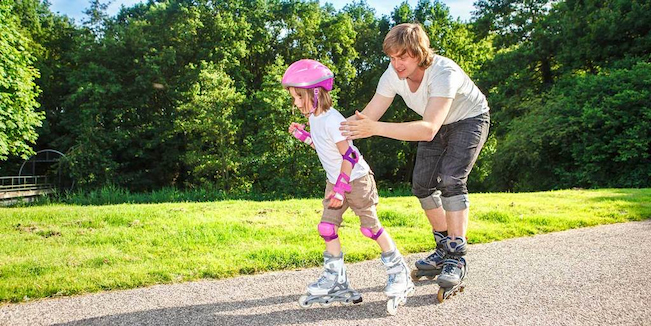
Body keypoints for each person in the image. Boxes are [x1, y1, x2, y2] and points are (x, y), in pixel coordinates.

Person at [340, 23, 490, 301]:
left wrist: (375, 128)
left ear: (420, 53)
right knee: (422, 185)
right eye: (392, 57)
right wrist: (325, 127)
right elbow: (367, 116)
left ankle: (456, 256)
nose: (397, 64)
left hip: (468, 120)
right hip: (433, 124)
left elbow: (428, 128)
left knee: (451, 180)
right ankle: (443, 247)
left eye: (403, 57)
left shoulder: (444, 72)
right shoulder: (392, 75)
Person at [281, 59, 414, 313]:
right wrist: (304, 137)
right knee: (327, 227)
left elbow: (350, 156)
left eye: (298, 97)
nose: (295, 103)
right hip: (336, 181)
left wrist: (341, 189)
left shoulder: (332, 119)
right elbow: (325, 147)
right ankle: (337, 280)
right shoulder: (315, 118)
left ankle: (399, 272)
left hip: (356, 180)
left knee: (370, 228)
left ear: (316, 93)